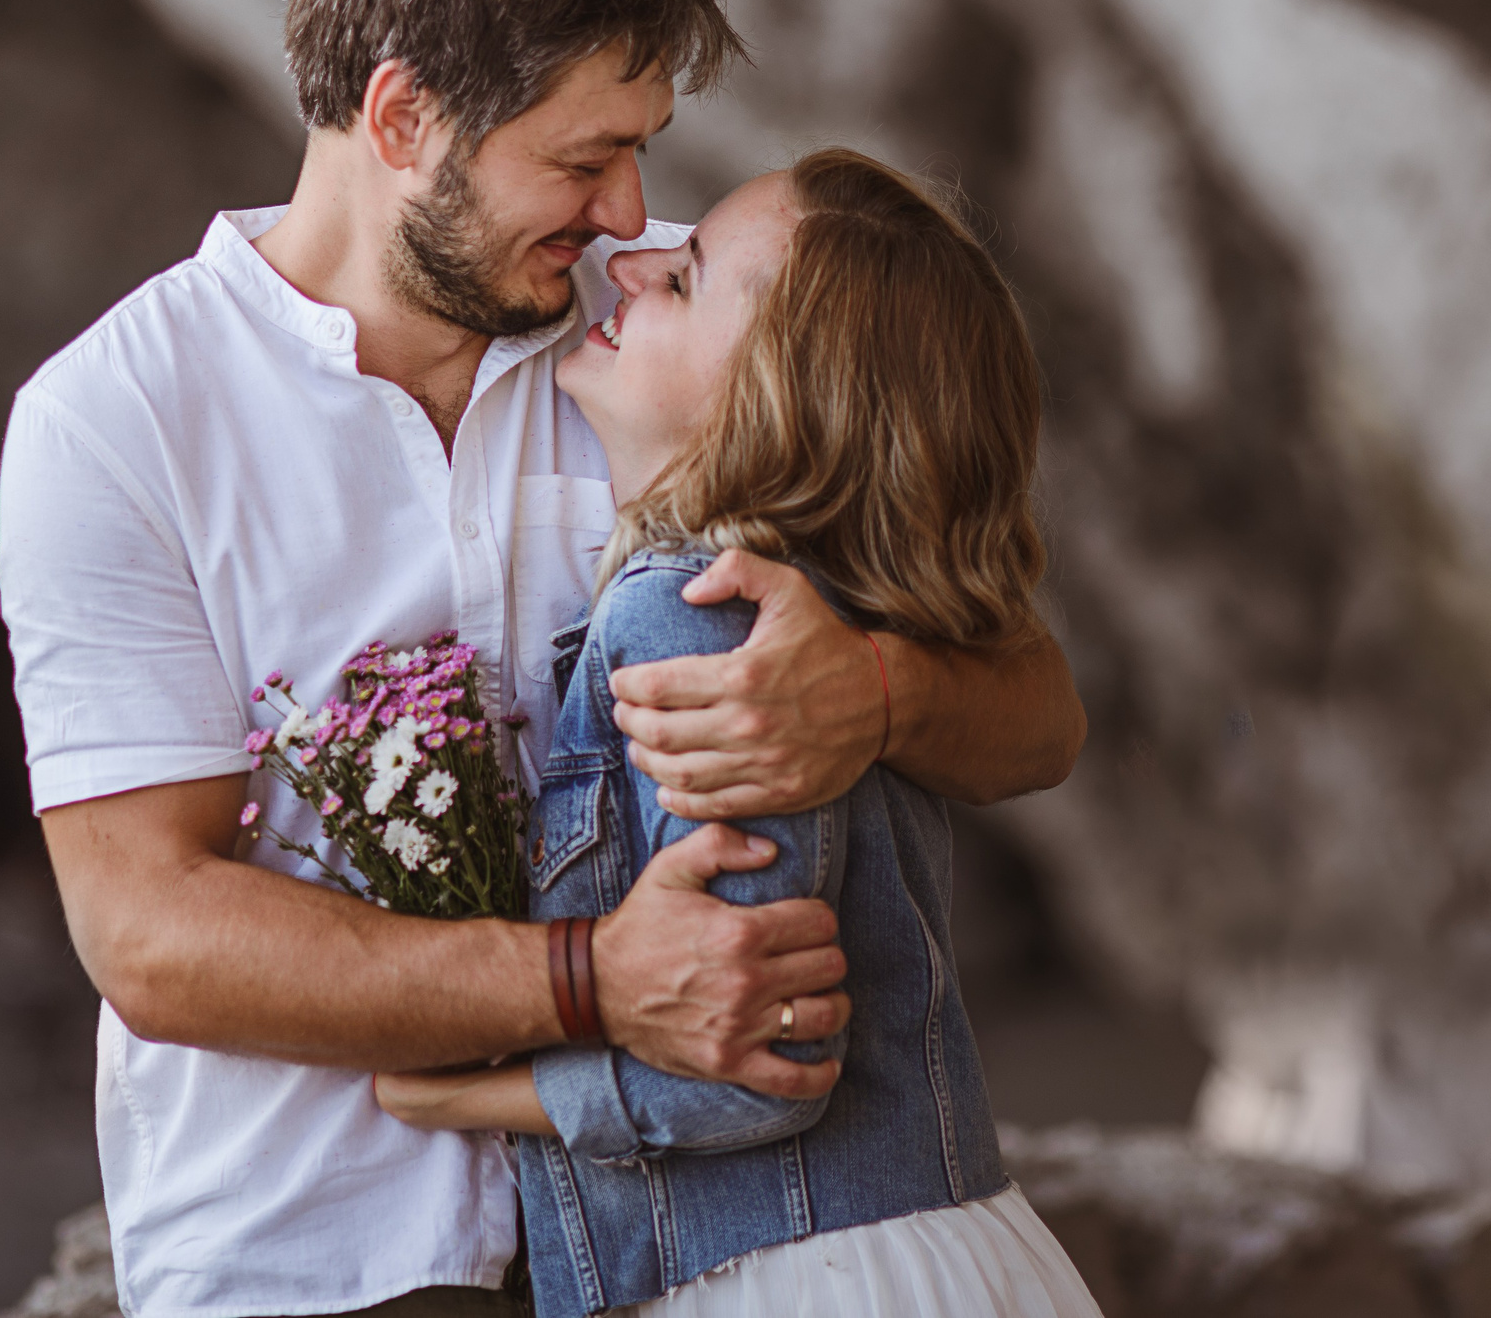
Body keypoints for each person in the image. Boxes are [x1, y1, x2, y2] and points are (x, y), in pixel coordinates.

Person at [0, 0, 1086, 1318]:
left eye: (641, 150)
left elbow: (1039, 710)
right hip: (317, 1266)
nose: (635, 216)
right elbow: (150, 935)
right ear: (402, 118)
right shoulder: (114, 423)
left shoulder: (682, 343)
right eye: (585, 158)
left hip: (684, 1255)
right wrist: (592, 983)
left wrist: (878, 689)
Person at [374, 149, 1102, 1318]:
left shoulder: (699, 613)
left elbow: (760, 1070)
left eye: (688, 276)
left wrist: (461, 1091)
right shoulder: (804, 594)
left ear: (781, 394)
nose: (639, 255)